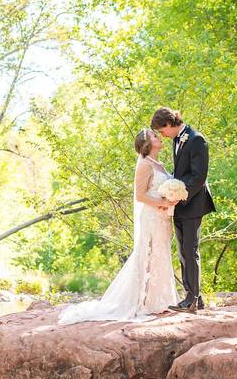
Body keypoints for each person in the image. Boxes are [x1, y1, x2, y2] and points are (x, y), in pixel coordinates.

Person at [58, 128, 178, 324]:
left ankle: (160, 301)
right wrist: (164, 203)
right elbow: (141, 196)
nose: (159, 137)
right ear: (147, 144)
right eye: (155, 136)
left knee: (161, 254)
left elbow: (158, 191)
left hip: (163, 218)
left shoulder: (160, 164)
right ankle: (142, 303)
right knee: (148, 255)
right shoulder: (145, 165)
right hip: (152, 218)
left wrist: (170, 198)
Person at [150, 107, 216, 313]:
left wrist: (178, 194)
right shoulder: (180, 139)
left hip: (192, 203)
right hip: (180, 204)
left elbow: (199, 177)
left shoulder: (196, 140)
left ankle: (192, 300)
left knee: (190, 250)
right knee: (183, 251)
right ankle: (195, 296)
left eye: (162, 131)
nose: (162, 135)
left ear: (169, 124)